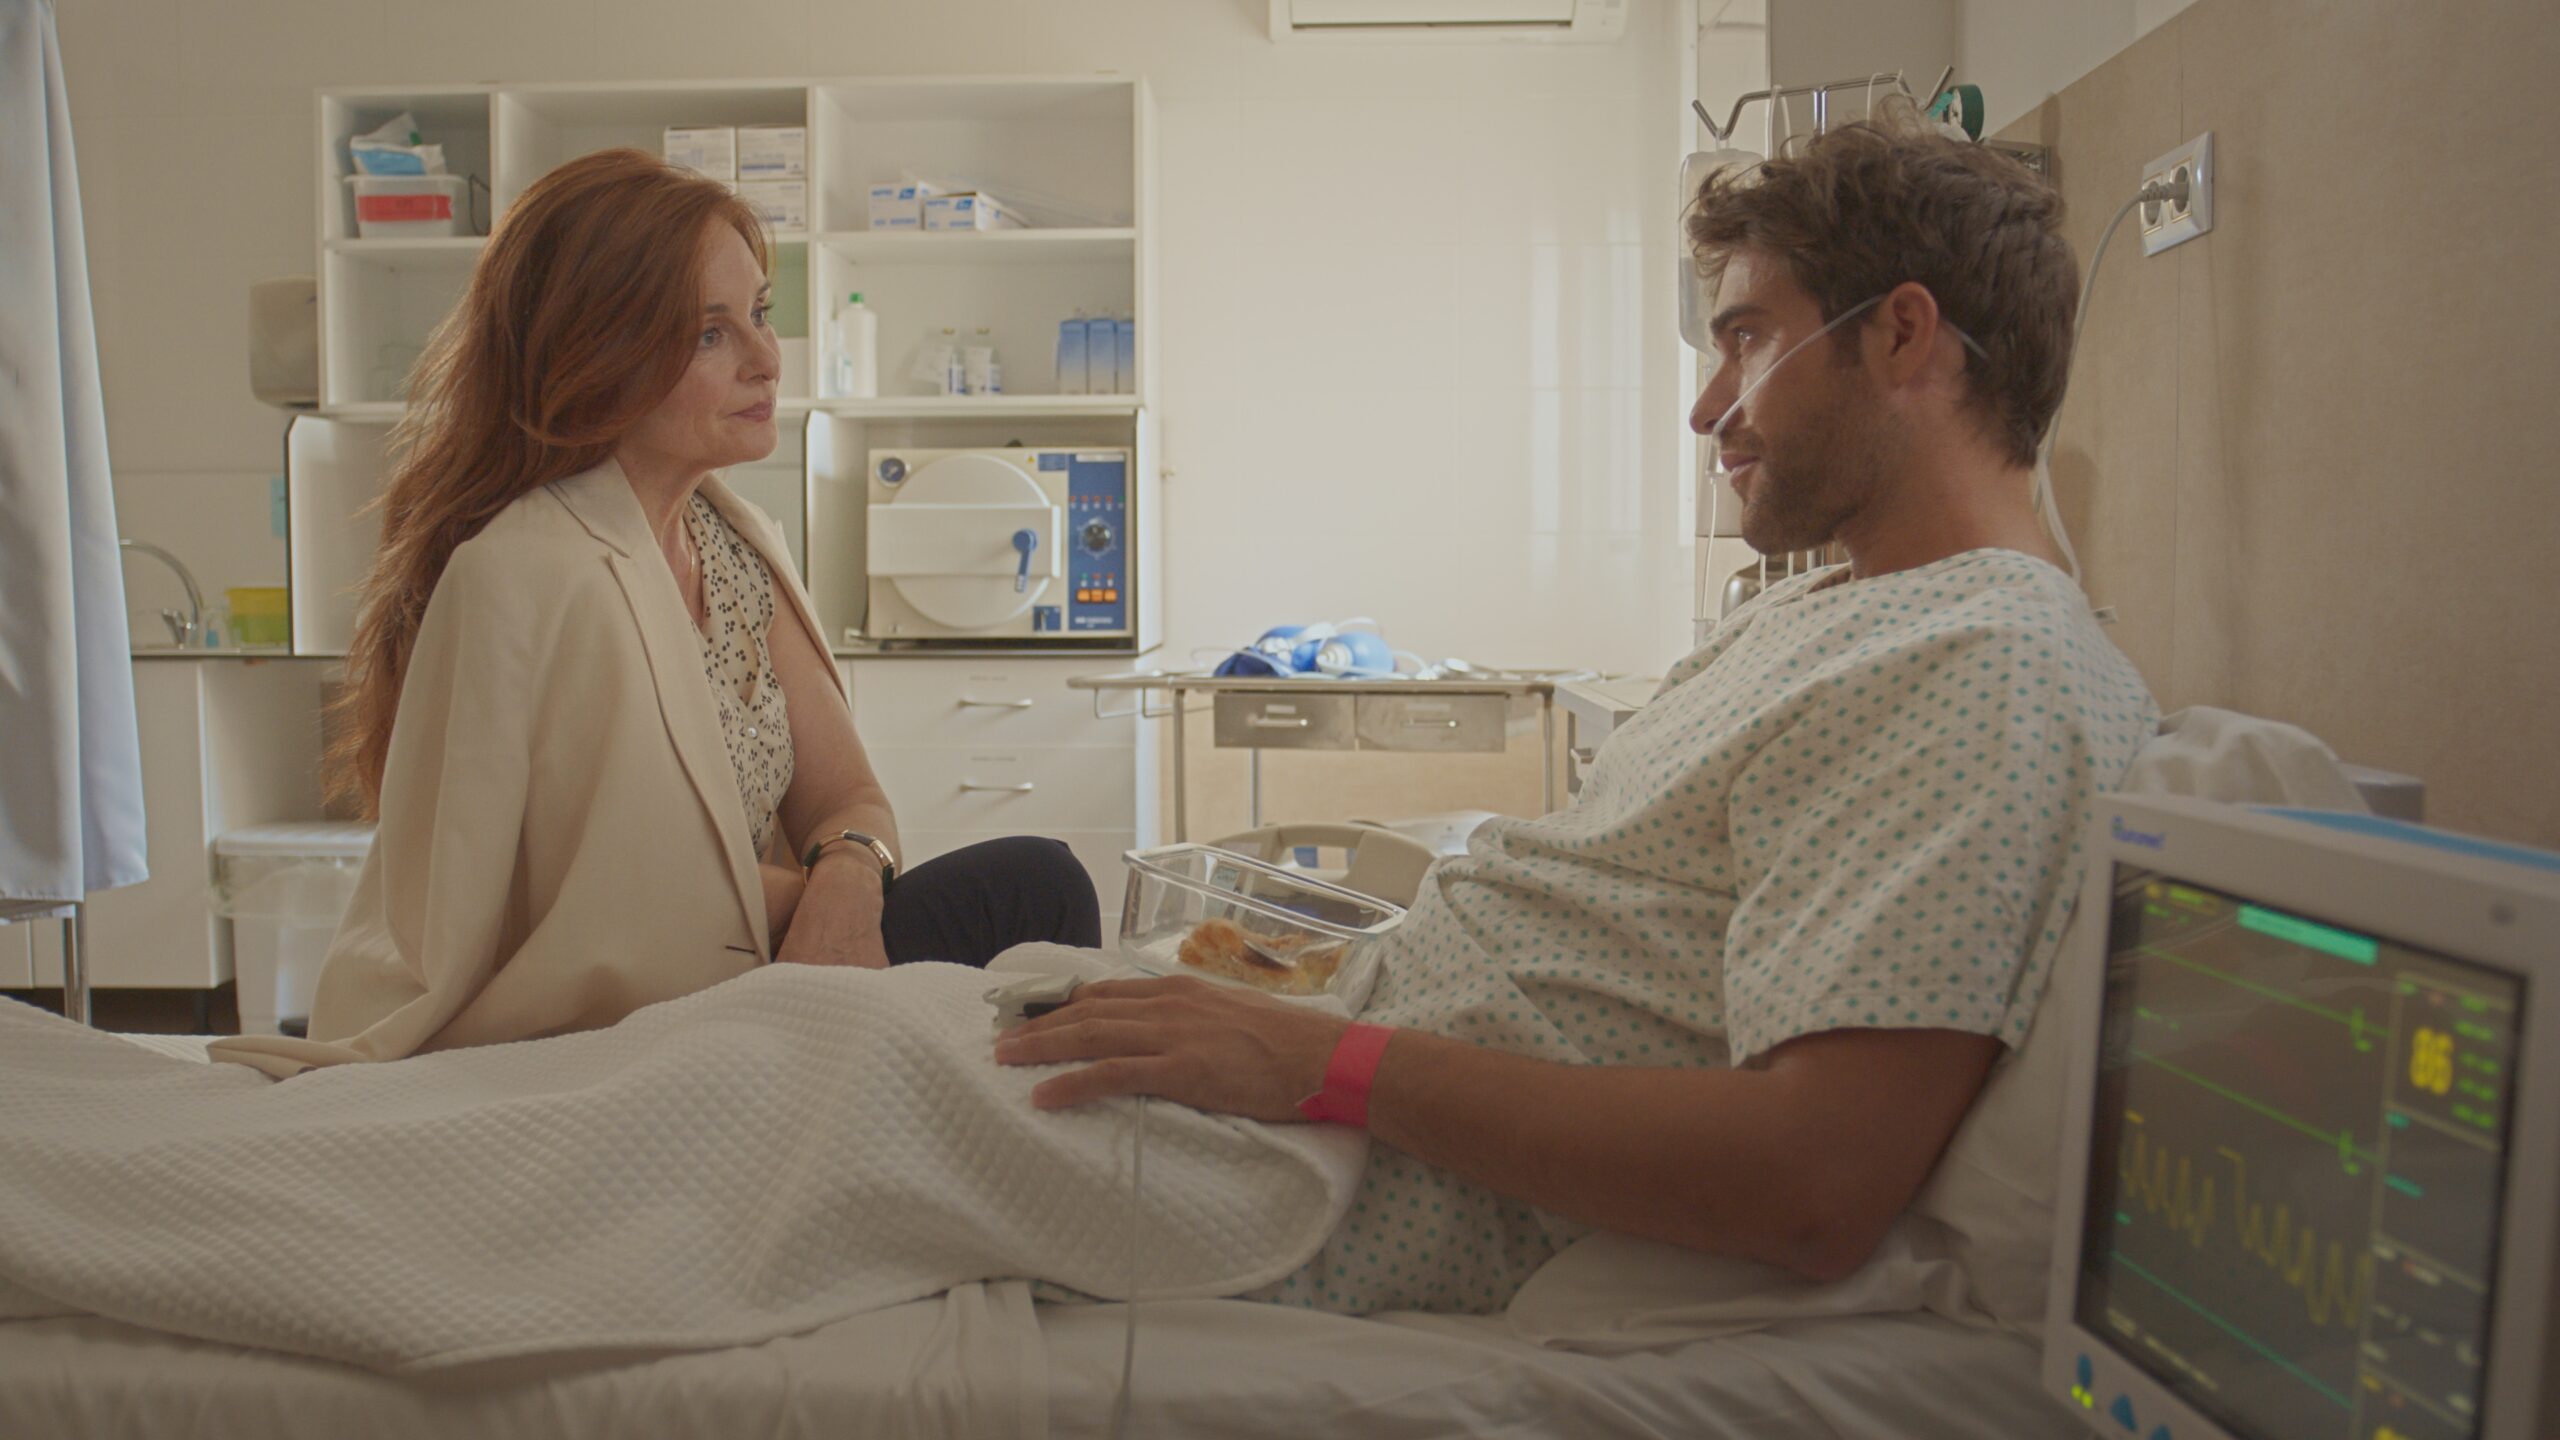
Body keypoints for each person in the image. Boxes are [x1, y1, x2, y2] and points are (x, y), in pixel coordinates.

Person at [995, 110, 2161, 1316]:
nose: (1707, 408)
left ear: (1902, 335)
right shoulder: (1818, 613)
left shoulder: (1984, 665)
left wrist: (1322, 1063)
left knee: (877, 1081)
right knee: (912, 1021)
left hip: (1324, 1180)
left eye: (1747, 339)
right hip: (1321, 1074)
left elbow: (1814, 1180)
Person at [212, 151, 1096, 1079]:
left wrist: (847, 877)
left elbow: (849, 800)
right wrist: (822, 897)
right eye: (709, 334)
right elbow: (582, 909)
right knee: (1029, 894)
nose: (765, 359)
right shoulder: (518, 573)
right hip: (607, 1025)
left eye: (758, 314)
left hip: (754, 963)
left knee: (1040, 885)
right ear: (598, 356)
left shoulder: (735, 542)